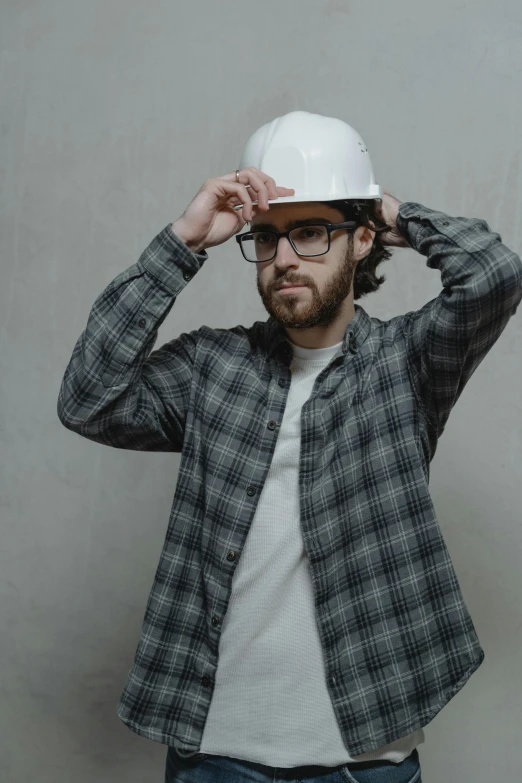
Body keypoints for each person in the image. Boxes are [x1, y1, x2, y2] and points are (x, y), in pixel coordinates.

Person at [57, 112, 522, 783]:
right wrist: (183, 240)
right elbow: (88, 397)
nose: (284, 259)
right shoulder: (211, 369)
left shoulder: (408, 364)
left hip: (364, 764)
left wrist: (394, 212)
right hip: (215, 759)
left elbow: (495, 273)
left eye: (310, 232)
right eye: (267, 236)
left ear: (361, 238)